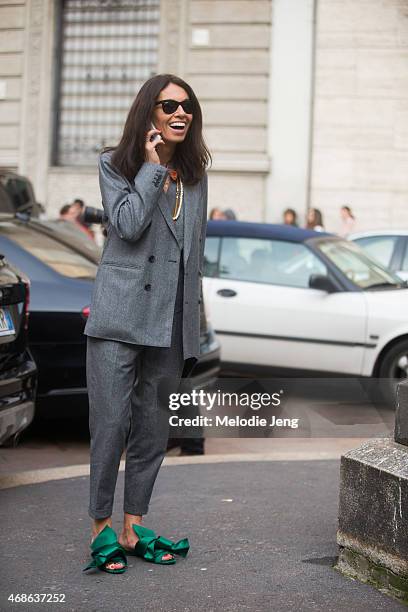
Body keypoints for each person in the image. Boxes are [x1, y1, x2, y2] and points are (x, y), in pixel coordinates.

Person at [83, 74, 210, 573]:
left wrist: (192, 327)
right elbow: (129, 226)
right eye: (169, 105)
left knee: (152, 432)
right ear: (149, 113)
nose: (180, 113)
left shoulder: (197, 176)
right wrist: (152, 168)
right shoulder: (116, 166)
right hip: (118, 318)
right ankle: (101, 527)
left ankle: (134, 526)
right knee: (110, 426)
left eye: (187, 107)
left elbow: (194, 254)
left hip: (170, 322)